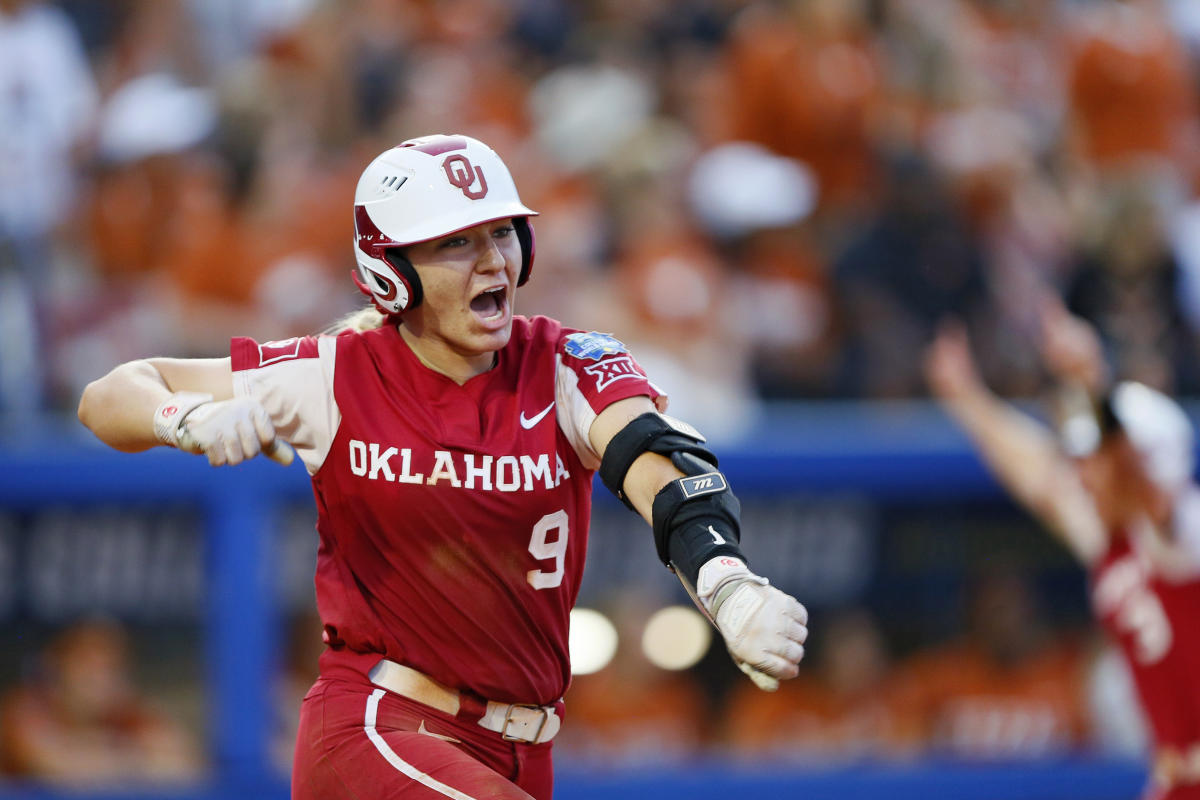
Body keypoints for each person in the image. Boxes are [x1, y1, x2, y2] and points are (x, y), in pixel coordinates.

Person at [76, 133, 808, 800]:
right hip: (380, 728)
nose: (493, 260)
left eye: (501, 232)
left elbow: (653, 456)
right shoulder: (336, 375)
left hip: (522, 747)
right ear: (391, 269)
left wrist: (725, 582)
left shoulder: (563, 361)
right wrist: (189, 420)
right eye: (456, 242)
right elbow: (109, 395)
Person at [924, 300, 1200, 799]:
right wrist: (969, 399)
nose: (1085, 472)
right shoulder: (1119, 542)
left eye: (1096, 458)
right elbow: (1045, 479)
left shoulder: (1186, 534)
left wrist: (1092, 380)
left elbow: (1136, 478)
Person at [0, 619, 203, 786]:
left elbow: (185, 764)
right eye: (87, 666)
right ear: (59, 669)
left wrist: (111, 754)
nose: (100, 679)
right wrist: (135, 759)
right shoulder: (26, 707)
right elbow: (58, 767)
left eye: (109, 668)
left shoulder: (124, 712)